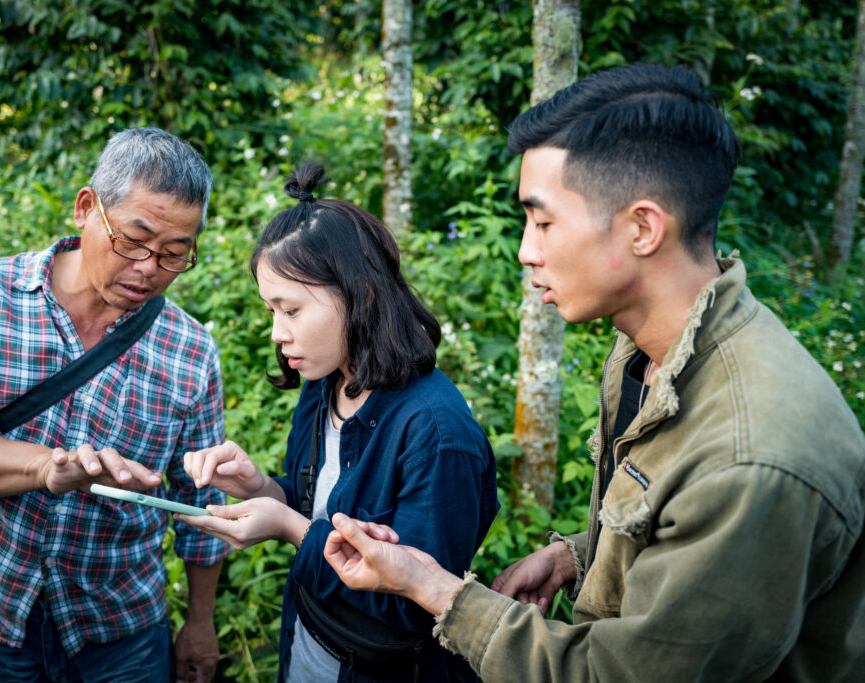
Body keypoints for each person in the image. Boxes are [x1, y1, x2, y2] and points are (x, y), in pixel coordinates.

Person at [322, 63, 865, 681]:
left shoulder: (750, 454)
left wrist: (440, 591)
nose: (527, 249)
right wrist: (576, 557)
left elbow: (626, 673)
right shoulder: (647, 351)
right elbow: (673, 535)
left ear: (642, 227)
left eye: (544, 221)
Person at [0, 127, 230, 683]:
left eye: (175, 254)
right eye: (132, 241)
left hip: (120, 625)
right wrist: (45, 468)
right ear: (85, 208)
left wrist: (200, 622)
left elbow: (201, 503)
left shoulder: (189, 350)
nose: (149, 269)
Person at [176, 162, 498, 682]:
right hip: (307, 647)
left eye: (291, 311)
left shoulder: (436, 434)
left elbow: (422, 606)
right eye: (270, 312)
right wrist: (258, 486)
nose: (277, 334)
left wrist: (288, 528)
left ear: (359, 295)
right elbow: (312, 505)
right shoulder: (325, 385)